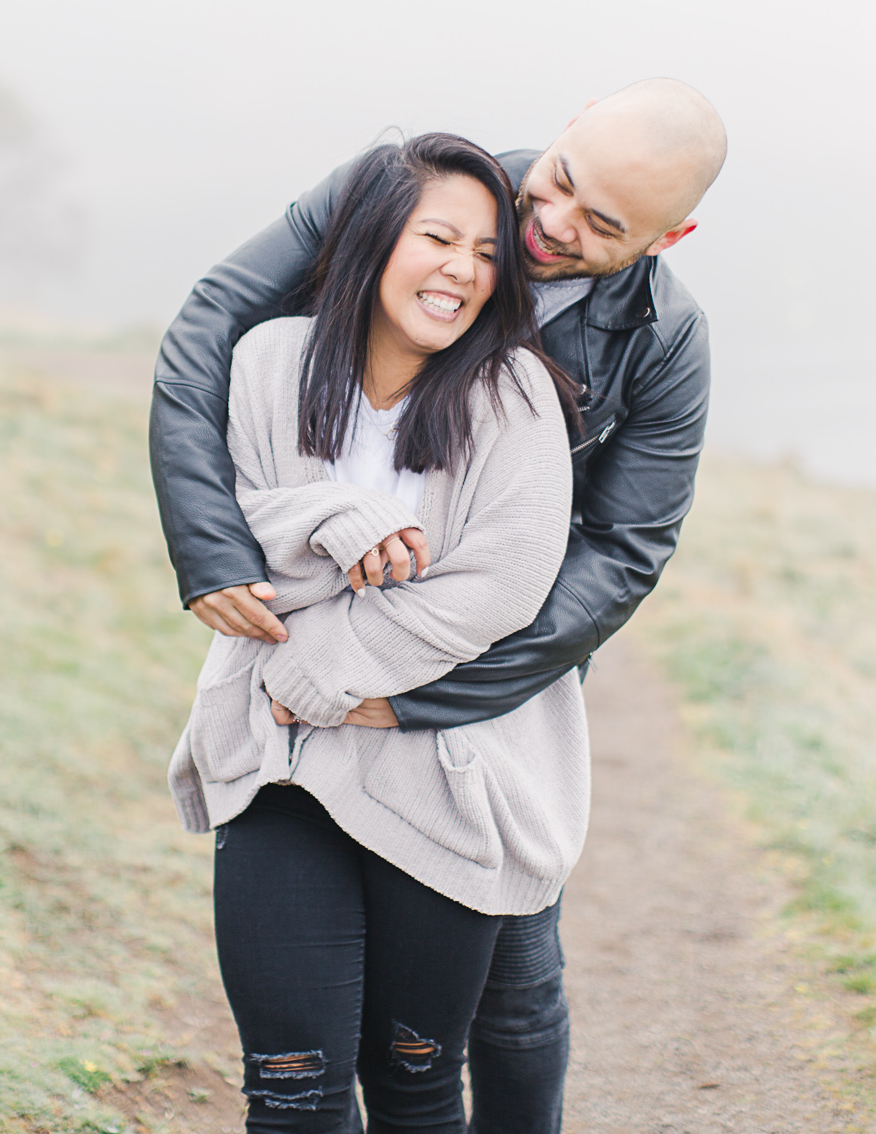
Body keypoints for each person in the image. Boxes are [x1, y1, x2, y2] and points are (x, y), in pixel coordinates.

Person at [152, 79, 725, 1130]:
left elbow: (620, 550)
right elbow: (206, 332)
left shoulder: (661, 341)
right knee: (301, 1056)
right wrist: (208, 546)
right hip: (299, 667)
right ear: (561, 131)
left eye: (601, 226)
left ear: (666, 236)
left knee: (508, 991)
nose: (545, 226)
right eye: (555, 184)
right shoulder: (416, 190)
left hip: (486, 677)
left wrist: (432, 695)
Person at [168, 132, 582, 1130]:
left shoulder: (514, 395)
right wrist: (326, 518)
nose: (461, 272)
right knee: (291, 1087)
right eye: (436, 238)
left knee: (412, 1083)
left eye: (485, 254)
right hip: (281, 769)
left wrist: (318, 662)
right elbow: (228, 522)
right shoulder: (271, 361)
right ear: (369, 238)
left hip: (436, 784)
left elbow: (499, 590)